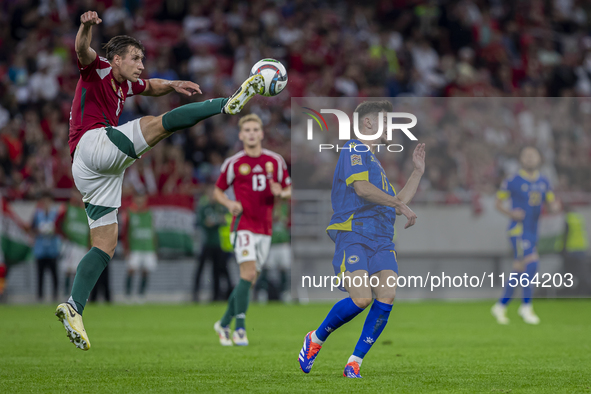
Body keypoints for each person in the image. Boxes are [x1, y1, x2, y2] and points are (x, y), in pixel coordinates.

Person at [56, 10, 266, 351]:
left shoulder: (125, 83)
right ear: (117, 59)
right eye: (136, 59)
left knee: (105, 243)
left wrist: (171, 84)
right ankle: (225, 105)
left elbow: (150, 86)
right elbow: (82, 50)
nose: (141, 65)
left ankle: (74, 306)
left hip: (91, 170)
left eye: (143, 58)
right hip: (92, 144)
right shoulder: (99, 69)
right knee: (158, 125)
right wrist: (85, 27)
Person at [297, 100, 423, 378]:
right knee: (362, 298)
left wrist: (417, 172)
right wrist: (399, 206)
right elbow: (362, 189)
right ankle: (315, 339)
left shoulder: (375, 164)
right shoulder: (354, 148)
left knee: (387, 295)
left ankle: (354, 362)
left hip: (382, 239)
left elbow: (397, 201)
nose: (391, 127)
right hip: (354, 233)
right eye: (387, 121)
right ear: (368, 122)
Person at [213, 113, 291, 346]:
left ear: (261, 133)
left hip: (265, 228)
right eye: (246, 130)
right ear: (240, 135)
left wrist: (281, 193)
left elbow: (289, 189)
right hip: (242, 225)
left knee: (249, 280)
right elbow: (217, 190)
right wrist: (229, 203)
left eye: (255, 129)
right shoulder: (234, 163)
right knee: (247, 275)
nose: (251, 133)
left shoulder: (275, 161)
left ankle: (223, 323)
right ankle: (240, 329)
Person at [491, 146, 560, 325]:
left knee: (519, 268)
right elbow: (497, 203)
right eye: (526, 155)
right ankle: (526, 306)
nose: (529, 158)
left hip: (533, 230)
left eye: (532, 155)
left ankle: (501, 305)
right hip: (518, 230)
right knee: (532, 262)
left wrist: (554, 208)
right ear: (521, 159)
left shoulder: (544, 181)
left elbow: (552, 202)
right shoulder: (513, 180)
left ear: (539, 159)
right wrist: (510, 213)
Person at [194, 185, 232, 302]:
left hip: (218, 243)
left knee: (216, 271)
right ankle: (195, 294)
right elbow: (203, 223)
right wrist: (217, 221)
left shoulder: (220, 207)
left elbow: (225, 219)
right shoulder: (204, 207)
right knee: (200, 269)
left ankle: (216, 296)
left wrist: (214, 221)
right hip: (206, 243)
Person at [122, 192, 157, 300]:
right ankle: (127, 294)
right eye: (138, 199)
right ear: (134, 199)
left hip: (148, 247)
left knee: (146, 271)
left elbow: (153, 231)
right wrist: (126, 248)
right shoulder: (129, 213)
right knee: (131, 269)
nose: (140, 201)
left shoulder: (150, 213)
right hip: (134, 247)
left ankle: (141, 294)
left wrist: (155, 247)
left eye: (142, 199)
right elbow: (125, 232)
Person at [56, 190, 90, 296]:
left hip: (82, 245)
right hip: (70, 244)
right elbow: (57, 223)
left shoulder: (87, 211)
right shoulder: (66, 208)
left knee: (79, 271)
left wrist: (89, 244)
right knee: (68, 269)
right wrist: (63, 236)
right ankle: (66, 293)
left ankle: (77, 294)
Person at [32, 191, 61, 301]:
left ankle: (55, 295)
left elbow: (60, 228)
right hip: (40, 250)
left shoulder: (56, 214)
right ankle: (40, 296)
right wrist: (39, 230)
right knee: (40, 275)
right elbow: (31, 228)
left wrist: (53, 230)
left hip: (52, 249)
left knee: (54, 274)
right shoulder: (37, 214)